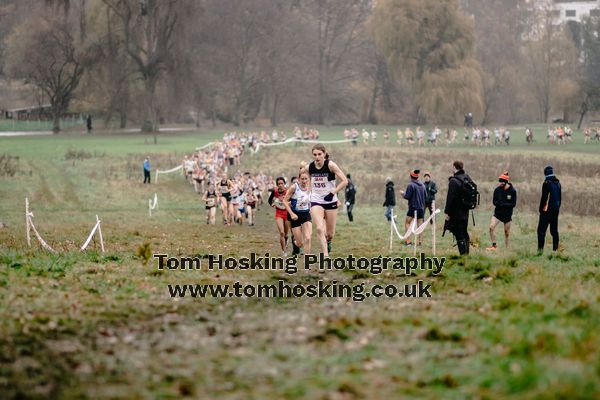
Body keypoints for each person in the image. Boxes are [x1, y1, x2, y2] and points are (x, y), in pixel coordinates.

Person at [308, 144, 348, 256]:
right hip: (316, 200)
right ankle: (325, 255)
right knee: (320, 229)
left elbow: (345, 181)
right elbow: (303, 178)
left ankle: (328, 241)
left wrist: (332, 193)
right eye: (315, 155)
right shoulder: (310, 167)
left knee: (330, 234)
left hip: (330, 200)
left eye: (319, 154)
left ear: (324, 154)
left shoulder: (330, 165)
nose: (317, 157)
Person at [444, 160, 472, 255]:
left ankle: (463, 255)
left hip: (456, 212)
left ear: (454, 167)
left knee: (458, 233)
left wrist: (447, 212)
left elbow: (450, 198)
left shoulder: (453, 181)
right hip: (466, 210)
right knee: (464, 231)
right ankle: (466, 253)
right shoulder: (467, 178)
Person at [283, 166, 312, 255]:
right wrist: (291, 214)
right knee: (300, 244)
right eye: (302, 179)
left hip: (306, 215)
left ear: (309, 179)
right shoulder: (294, 188)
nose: (304, 181)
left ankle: (307, 260)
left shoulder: (311, 187)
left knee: (308, 237)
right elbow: (284, 201)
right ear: (299, 179)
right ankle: (295, 241)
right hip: (295, 216)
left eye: (306, 179)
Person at [486, 172, 517, 250]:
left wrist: (503, 204)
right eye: (500, 181)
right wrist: (499, 204)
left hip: (507, 215)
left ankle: (507, 249)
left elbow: (513, 204)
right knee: (491, 227)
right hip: (498, 214)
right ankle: (494, 246)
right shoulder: (497, 190)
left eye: (503, 182)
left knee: (506, 233)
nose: (501, 183)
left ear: (506, 182)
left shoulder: (513, 191)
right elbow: (494, 202)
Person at [537, 166, 561, 254]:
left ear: (545, 173)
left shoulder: (546, 183)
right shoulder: (558, 183)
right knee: (554, 231)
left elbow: (544, 198)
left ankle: (540, 251)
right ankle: (555, 250)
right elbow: (560, 198)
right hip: (556, 210)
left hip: (546, 211)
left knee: (541, 231)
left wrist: (540, 209)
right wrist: (557, 209)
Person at [400, 169, 426, 245]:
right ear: (417, 177)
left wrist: (402, 194)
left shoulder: (411, 185)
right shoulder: (423, 185)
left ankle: (408, 242)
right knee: (420, 225)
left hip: (413, 207)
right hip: (421, 208)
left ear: (411, 176)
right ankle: (420, 242)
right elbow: (425, 196)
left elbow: (407, 196)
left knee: (407, 223)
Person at [269, 177, 291, 256]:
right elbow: (269, 200)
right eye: (278, 184)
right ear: (277, 185)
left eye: (282, 183)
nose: (280, 185)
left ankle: (286, 239)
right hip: (278, 213)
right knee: (281, 232)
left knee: (285, 233)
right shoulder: (275, 191)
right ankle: (284, 251)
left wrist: (288, 203)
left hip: (287, 213)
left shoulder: (288, 191)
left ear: (284, 184)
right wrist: (272, 204)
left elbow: (293, 200)